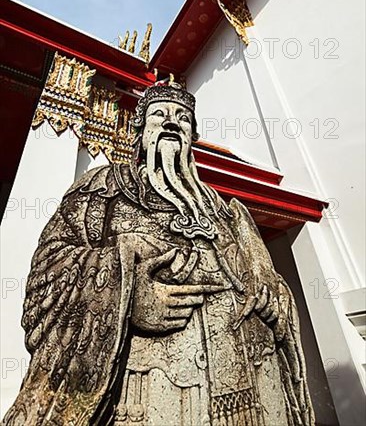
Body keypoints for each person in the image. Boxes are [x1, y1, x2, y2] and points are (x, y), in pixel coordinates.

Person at [3, 82, 314, 426]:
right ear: (140, 131)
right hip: (152, 388)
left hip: (251, 380)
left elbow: (267, 285)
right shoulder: (103, 190)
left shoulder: (223, 211)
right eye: (159, 115)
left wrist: (273, 297)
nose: (171, 123)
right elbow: (50, 266)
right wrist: (125, 293)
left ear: (192, 136)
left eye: (182, 118)